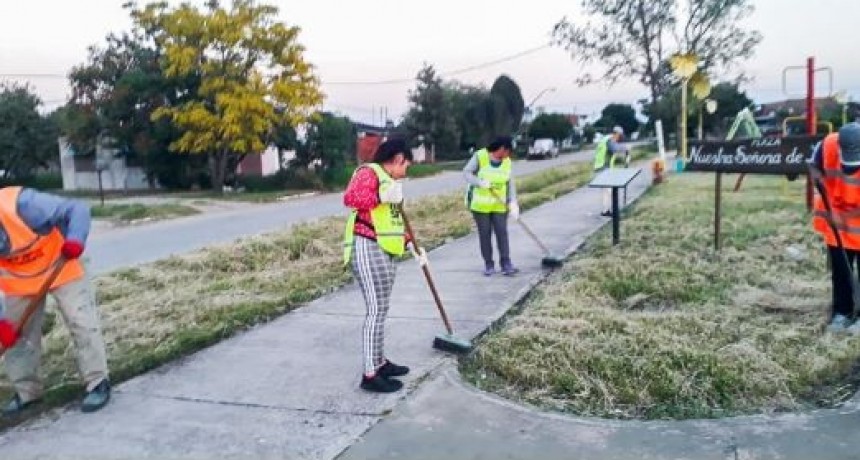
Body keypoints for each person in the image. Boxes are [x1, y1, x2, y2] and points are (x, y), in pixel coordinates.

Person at [0, 187, 110, 415]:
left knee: (81, 321)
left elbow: (77, 209)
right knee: (13, 333)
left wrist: (75, 240)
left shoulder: (21, 204)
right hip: (20, 279)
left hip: (61, 264)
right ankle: (27, 393)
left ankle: (97, 382)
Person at [343, 138, 426, 393]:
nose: (406, 172)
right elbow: (351, 198)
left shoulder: (391, 184)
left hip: (386, 249)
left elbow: (390, 221)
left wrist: (409, 243)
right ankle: (370, 374)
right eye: (406, 166)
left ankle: (379, 362)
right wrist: (381, 195)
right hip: (367, 246)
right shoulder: (369, 173)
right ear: (399, 158)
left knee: (382, 309)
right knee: (375, 310)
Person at [811, 122, 860, 333]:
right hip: (836, 222)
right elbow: (814, 165)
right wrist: (817, 178)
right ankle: (842, 312)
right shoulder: (828, 145)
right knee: (840, 271)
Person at [463, 135, 520, 276]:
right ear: (502, 148)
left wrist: (513, 202)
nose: (509, 155)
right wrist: (479, 182)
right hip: (481, 206)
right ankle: (489, 264)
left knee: (502, 233)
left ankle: (506, 263)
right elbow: (467, 173)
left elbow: (510, 183)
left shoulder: (507, 162)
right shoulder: (480, 156)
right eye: (508, 151)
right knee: (485, 234)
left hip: (499, 205)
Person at [593, 126, 630, 216]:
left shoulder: (606, 139)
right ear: (616, 134)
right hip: (602, 167)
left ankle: (606, 210)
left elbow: (613, 155)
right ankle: (606, 211)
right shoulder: (610, 140)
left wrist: (623, 159)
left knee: (606, 190)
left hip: (602, 167)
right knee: (608, 190)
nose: (620, 138)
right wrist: (625, 148)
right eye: (620, 136)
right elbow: (615, 149)